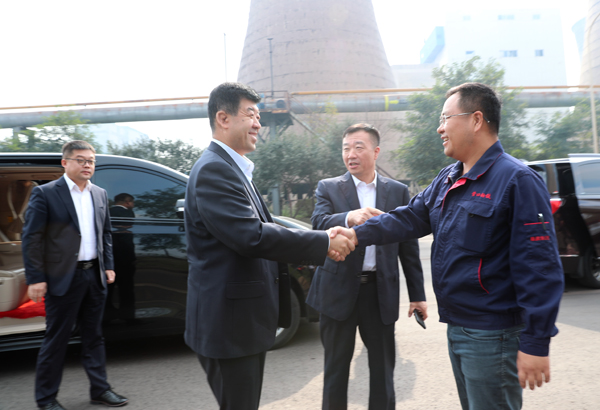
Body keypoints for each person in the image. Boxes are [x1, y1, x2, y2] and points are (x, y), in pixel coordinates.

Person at [343, 83, 564, 410]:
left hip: (493, 334)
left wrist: (536, 341)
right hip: (458, 327)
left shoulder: (517, 180)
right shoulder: (448, 178)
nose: (440, 128)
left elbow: (540, 268)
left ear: (476, 120)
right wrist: (355, 235)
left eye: (446, 118)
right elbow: (409, 218)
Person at [184, 82, 356, 410]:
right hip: (229, 327)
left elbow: (263, 228)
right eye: (250, 114)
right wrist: (324, 241)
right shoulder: (214, 170)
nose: (258, 124)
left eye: (259, 116)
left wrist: (321, 238)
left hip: (238, 323)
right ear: (223, 118)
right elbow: (252, 236)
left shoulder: (231, 168)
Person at [306, 123, 427, 410]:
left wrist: (417, 295)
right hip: (337, 292)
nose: (351, 154)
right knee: (335, 370)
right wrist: (348, 217)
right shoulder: (328, 187)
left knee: (383, 371)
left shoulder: (397, 191)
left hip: (379, 292)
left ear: (376, 151)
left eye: (358, 147)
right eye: (346, 148)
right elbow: (318, 223)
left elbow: (408, 246)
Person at [22, 140, 129, 409]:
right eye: (80, 160)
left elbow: (105, 233)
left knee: (94, 336)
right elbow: (32, 238)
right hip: (62, 278)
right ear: (65, 163)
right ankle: (46, 399)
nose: (87, 165)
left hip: (94, 276)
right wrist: (36, 278)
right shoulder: (45, 193)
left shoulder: (100, 194)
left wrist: (108, 265)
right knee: (56, 340)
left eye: (91, 161)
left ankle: (100, 390)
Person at [107, 193, 136, 323]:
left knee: (109, 288)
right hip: (125, 256)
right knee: (126, 287)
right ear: (127, 202)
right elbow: (129, 227)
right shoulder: (127, 213)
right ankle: (127, 316)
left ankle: (109, 315)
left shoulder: (108, 211)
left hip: (111, 256)